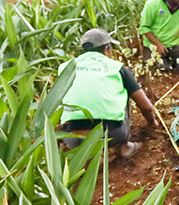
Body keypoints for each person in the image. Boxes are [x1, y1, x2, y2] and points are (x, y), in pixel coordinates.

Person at [58, 28, 158, 159]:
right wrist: (152, 123)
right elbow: (145, 106)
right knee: (123, 91)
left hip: (72, 138)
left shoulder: (65, 67)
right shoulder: (116, 68)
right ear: (107, 49)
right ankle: (125, 146)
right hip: (111, 135)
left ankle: (85, 154)